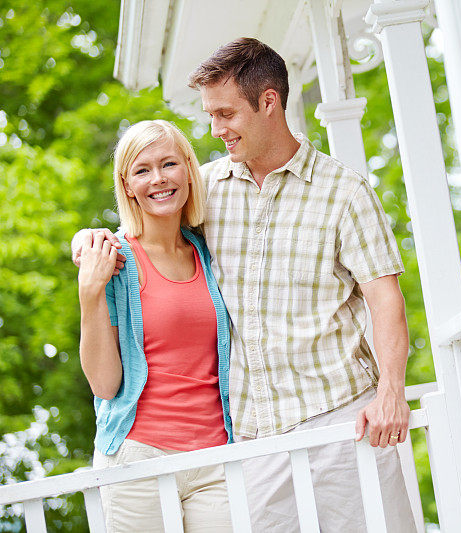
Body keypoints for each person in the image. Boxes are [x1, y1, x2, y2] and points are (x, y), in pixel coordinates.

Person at [75, 38, 415, 532]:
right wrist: (88, 239)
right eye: (210, 116)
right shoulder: (207, 187)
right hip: (252, 440)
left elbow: (385, 298)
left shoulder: (344, 192)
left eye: (225, 114)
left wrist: (392, 390)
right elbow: (150, 222)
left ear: (269, 102)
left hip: (342, 418)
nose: (216, 130)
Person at [76, 119, 233, 532]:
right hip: (138, 458)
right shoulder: (114, 260)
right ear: (127, 185)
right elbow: (105, 386)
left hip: (215, 459)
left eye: (169, 164)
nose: (158, 179)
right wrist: (89, 294)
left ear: (188, 169)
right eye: (142, 170)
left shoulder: (209, 248)